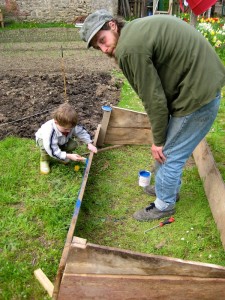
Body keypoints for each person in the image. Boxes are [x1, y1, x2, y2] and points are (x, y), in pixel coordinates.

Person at [79, 9, 225, 221]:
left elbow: (154, 99)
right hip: (200, 84)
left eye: (103, 40)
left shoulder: (129, 49)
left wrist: (158, 141)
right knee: (168, 148)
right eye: (97, 46)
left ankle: (165, 204)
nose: (103, 49)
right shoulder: (133, 31)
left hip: (198, 95)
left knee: (168, 154)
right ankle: (168, 189)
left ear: (112, 25)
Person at [35, 102, 97, 174]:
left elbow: (81, 132)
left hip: (60, 140)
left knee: (73, 145)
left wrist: (89, 143)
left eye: (71, 128)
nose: (69, 131)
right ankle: (44, 160)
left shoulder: (69, 124)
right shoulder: (50, 132)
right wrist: (68, 156)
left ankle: (61, 156)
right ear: (56, 122)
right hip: (45, 142)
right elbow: (52, 150)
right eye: (65, 129)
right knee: (45, 149)